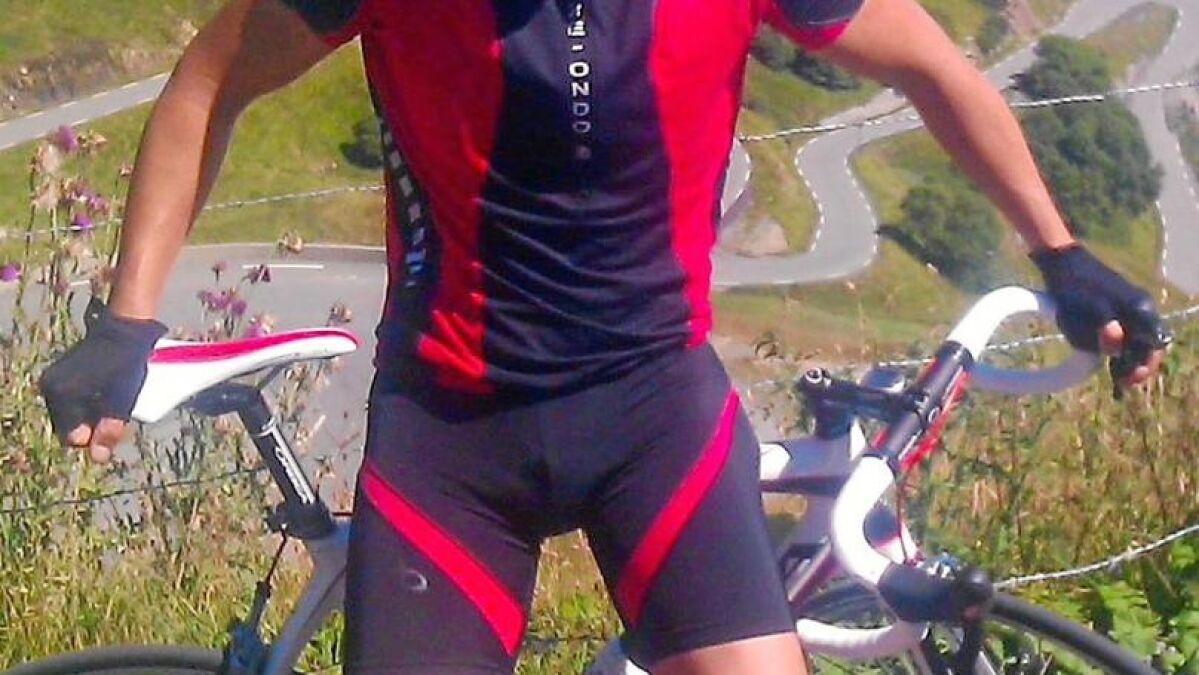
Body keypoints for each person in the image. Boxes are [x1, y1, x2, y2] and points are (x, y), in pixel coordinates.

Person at [38, 0, 1170, 673]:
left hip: (652, 420)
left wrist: (1060, 253)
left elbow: (929, 62)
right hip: (450, 439)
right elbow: (207, 85)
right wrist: (129, 318)